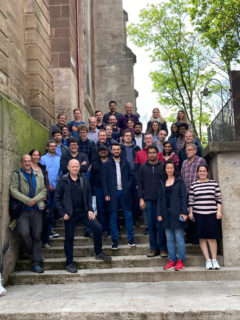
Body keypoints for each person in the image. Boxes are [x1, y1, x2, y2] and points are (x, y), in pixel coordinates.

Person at [55, 159, 111, 273]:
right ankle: (69, 262)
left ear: (79, 167)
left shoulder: (83, 179)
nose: (75, 168)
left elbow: (89, 195)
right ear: (68, 167)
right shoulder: (63, 180)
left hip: (84, 212)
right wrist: (63, 213)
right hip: (70, 214)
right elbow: (57, 198)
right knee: (69, 238)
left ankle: (98, 252)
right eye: (73, 166)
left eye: (77, 166)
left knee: (98, 228)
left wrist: (90, 209)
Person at [10, 154, 47, 273]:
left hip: (37, 209)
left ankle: (36, 263)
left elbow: (44, 190)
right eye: (25, 161)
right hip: (23, 211)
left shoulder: (38, 174)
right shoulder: (17, 175)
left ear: (32, 162)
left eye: (29, 161)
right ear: (21, 163)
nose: (27, 163)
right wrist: (27, 200)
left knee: (37, 236)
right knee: (23, 232)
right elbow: (13, 190)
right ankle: (32, 251)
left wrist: (34, 200)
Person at [188, 164, 222, 270]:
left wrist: (219, 211)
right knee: (202, 238)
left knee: (212, 238)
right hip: (199, 214)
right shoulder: (193, 185)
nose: (202, 173)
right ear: (197, 173)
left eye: (204, 171)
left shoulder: (214, 183)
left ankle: (214, 259)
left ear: (208, 172)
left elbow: (218, 199)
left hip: (212, 214)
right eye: (200, 171)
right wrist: (190, 212)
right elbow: (191, 201)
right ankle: (207, 260)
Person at [102, 143, 135, 249]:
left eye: (118, 149)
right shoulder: (107, 164)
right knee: (113, 217)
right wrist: (106, 193)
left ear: (120, 151)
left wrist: (128, 186)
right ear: (111, 151)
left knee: (128, 216)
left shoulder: (126, 162)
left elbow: (131, 177)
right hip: (113, 193)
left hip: (125, 193)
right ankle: (114, 240)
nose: (116, 151)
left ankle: (130, 239)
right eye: (114, 149)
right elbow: (104, 181)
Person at [157, 160, 188, 271]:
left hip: (178, 212)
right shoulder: (162, 182)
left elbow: (184, 198)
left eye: (171, 168)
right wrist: (159, 213)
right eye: (167, 168)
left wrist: (184, 212)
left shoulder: (179, 181)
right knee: (169, 238)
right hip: (166, 213)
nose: (169, 170)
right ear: (165, 170)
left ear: (174, 169)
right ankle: (172, 260)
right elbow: (159, 199)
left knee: (179, 238)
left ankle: (180, 260)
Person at [138, 146, 167, 257]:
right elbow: (139, 184)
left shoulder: (163, 166)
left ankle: (163, 248)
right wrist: (141, 199)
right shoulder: (143, 167)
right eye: (149, 153)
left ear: (157, 153)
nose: (152, 154)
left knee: (160, 224)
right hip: (148, 199)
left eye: (154, 152)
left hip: (161, 200)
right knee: (150, 225)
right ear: (147, 154)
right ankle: (153, 248)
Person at [181, 143, 207, 244]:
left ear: (195, 151)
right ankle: (189, 235)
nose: (187, 152)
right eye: (186, 150)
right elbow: (182, 177)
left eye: (190, 150)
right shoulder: (184, 163)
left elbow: (204, 175)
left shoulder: (201, 161)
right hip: (186, 193)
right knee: (187, 214)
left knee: (196, 215)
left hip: (198, 192)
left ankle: (196, 237)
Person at [40, 140, 61, 239]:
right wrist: (48, 185)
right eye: (51, 146)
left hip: (57, 187)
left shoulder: (59, 159)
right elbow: (42, 173)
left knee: (54, 208)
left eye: (54, 146)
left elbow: (60, 173)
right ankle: (49, 230)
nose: (53, 147)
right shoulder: (42, 159)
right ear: (47, 147)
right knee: (48, 209)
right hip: (46, 188)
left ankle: (52, 228)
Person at [30, 149, 50, 248]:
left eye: (38, 155)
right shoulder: (27, 168)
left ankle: (45, 241)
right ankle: (33, 244)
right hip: (31, 199)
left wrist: (46, 193)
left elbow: (46, 182)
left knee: (45, 221)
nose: (36, 157)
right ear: (31, 156)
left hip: (42, 198)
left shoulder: (42, 168)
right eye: (34, 155)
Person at [121, 130, 141, 224]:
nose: (128, 137)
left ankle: (136, 218)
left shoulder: (137, 148)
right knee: (126, 198)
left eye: (129, 136)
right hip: (124, 175)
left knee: (136, 197)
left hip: (135, 174)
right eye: (126, 135)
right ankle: (127, 219)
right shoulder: (119, 148)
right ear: (123, 137)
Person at [90, 145, 110, 237]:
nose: (103, 152)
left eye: (104, 150)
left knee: (111, 209)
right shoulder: (94, 163)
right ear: (98, 152)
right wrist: (91, 190)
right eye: (101, 150)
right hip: (98, 188)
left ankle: (112, 227)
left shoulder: (111, 162)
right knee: (101, 209)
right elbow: (92, 178)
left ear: (107, 151)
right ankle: (104, 228)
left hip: (110, 189)